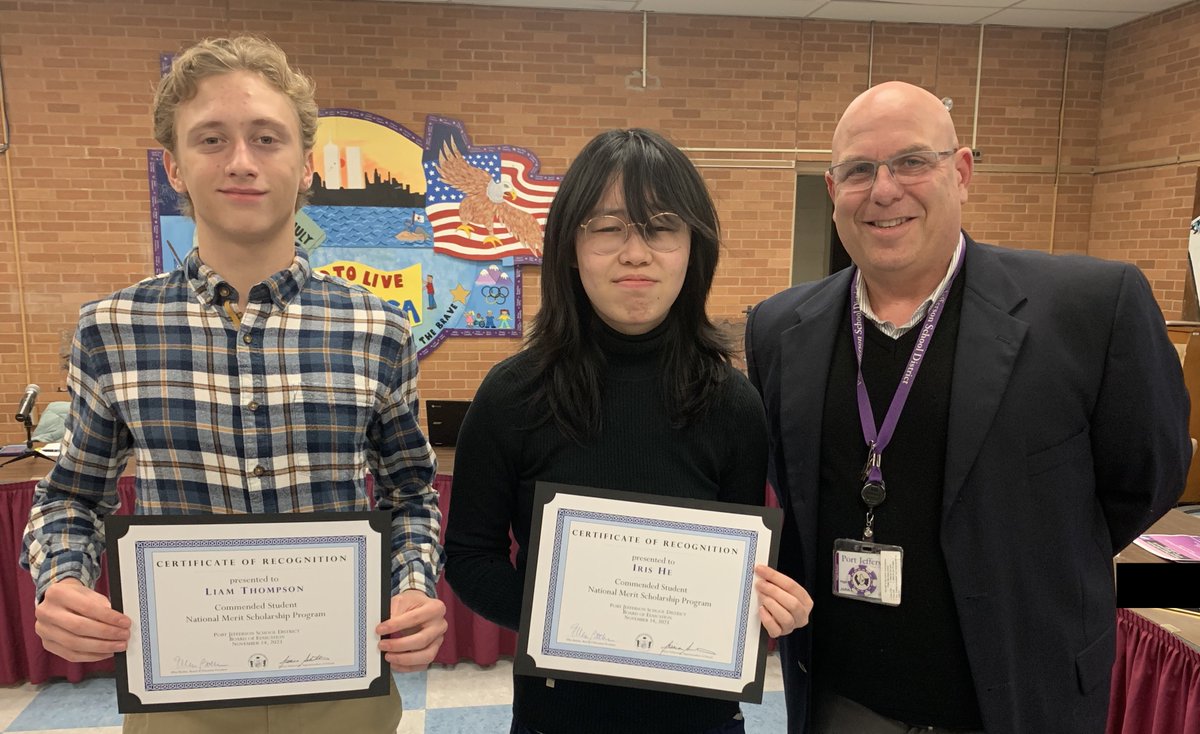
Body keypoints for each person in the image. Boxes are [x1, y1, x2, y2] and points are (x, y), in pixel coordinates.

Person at [21, 36, 447, 733]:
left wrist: (412, 588)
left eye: (266, 138)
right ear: (175, 167)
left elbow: (411, 494)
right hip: (178, 696)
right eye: (211, 139)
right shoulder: (112, 328)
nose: (242, 162)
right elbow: (71, 497)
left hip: (342, 689)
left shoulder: (378, 330)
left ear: (306, 166)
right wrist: (62, 578)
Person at [745, 80, 1192, 734]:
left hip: (1021, 697)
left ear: (961, 173)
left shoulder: (1090, 309)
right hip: (844, 703)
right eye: (859, 171)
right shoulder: (780, 327)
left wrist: (1029, 552)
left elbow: (1145, 478)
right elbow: (792, 493)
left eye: (912, 162)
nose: (885, 189)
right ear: (832, 191)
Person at [444, 128, 813, 734]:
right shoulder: (512, 396)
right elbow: (471, 558)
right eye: (609, 227)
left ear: (693, 247)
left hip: (700, 721)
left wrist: (773, 604)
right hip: (556, 718)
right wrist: (568, 621)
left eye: (662, 227)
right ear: (569, 246)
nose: (636, 252)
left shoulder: (735, 404)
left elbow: (739, 573)